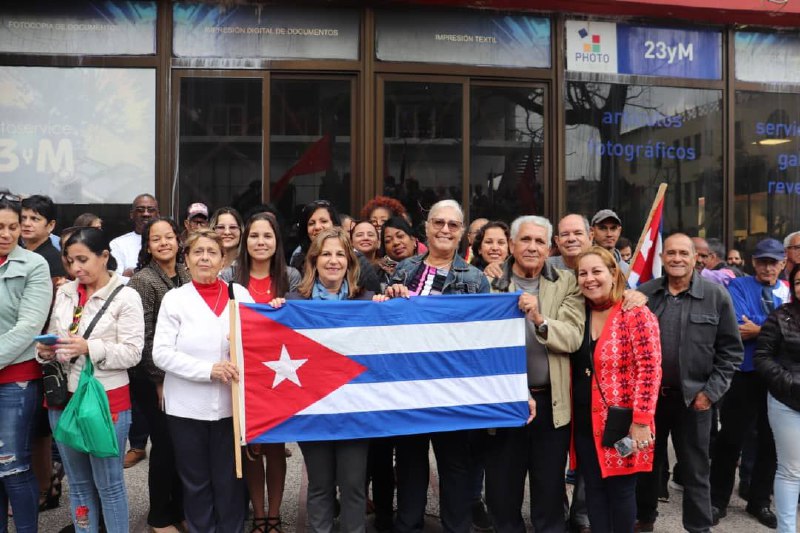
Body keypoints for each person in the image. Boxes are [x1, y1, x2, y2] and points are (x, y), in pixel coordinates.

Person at [271, 227, 386, 533]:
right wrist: (271, 315)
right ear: (314, 260)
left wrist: (389, 306)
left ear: (349, 262)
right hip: (314, 409)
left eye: (339, 254)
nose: (333, 261)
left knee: (353, 487)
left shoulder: (368, 300)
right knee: (320, 486)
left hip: (355, 410)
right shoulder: (295, 301)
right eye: (326, 254)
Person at [385, 199, 490, 533]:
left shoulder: (475, 278)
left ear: (461, 233)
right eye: (438, 223)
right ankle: (408, 525)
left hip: (452, 386)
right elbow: (385, 327)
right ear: (426, 228)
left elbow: (483, 335)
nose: (445, 230)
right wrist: (389, 298)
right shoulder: (403, 269)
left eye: (453, 225)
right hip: (408, 385)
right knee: (410, 461)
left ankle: (457, 526)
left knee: (455, 463)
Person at [37, 227, 144, 533]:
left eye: (83, 259)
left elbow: (133, 353)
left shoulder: (127, 296)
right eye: (70, 261)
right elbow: (57, 342)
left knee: (109, 485)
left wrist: (88, 348)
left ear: (105, 257)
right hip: (63, 400)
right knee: (80, 485)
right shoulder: (66, 292)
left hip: (106, 399)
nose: (76, 269)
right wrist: (45, 350)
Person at [482, 215, 584, 533]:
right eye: (525, 239)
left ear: (549, 247)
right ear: (511, 244)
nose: (532, 246)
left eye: (540, 241)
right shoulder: (488, 283)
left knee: (550, 493)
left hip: (550, 404)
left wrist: (540, 319)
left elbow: (572, 337)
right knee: (501, 494)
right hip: (504, 403)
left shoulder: (567, 282)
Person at [635, 233, 743, 533]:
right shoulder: (645, 293)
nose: (677, 259)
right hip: (651, 399)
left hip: (695, 399)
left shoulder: (715, 295)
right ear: (662, 257)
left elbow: (731, 352)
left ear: (696, 258)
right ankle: (644, 519)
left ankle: (698, 527)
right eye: (671, 253)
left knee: (696, 470)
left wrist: (710, 394)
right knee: (646, 466)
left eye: (684, 253)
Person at [152, 229, 253, 532]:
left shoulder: (240, 295)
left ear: (224, 259)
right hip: (186, 408)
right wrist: (208, 369)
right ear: (186, 259)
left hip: (229, 407)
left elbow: (260, 345)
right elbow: (161, 354)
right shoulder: (175, 299)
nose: (205, 258)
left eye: (212, 252)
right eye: (198, 252)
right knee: (195, 481)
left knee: (230, 480)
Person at [572, 246, 662, 532]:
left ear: (613, 274)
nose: (589, 279)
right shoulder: (579, 312)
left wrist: (641, 421)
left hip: (623, 424)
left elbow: (650, 369)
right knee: (594, 491)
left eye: (597, 271)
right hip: (586, 423)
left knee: (621, 493)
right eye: (582, 273)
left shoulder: (635, 313)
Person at [709, 238, 788, 528]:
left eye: (773, 262)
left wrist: (761, 328)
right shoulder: (739, 286)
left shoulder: (789, 290)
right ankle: (718, 500)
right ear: (753, 262)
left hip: (778, 377)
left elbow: (790, 328)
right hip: (744, 372)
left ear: (782, 264)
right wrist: (777, 326)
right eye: (763, 261)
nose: (768, 267)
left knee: (770, 441)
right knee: (731, 438)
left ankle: (759, 502)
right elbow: (741, 326)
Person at [231, 212, 300, 533]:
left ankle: (274, 516)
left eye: (267, 236)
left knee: (275, 448)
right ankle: (258, 515)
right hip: (245, 376)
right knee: (251, 448)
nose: (260, 242)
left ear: (277, 242)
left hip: (283, 374)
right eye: (254, 236)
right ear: (245, 241)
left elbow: (302, 321)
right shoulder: (230, 276)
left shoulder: (292, 277)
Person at [127, 218, 190, 533]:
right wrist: (160, 380)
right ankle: (159, 517)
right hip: (152, 378)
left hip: (182, 374)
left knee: (181, 444)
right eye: (156, 239)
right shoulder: (142, 281)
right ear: (147, 245)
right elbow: (144, 337)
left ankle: (180, 508)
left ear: (178, 240)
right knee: (164, 444)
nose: (164, 243)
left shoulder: (186, 273)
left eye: (169, 236)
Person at [0, 192, 53, 533]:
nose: (6, 233)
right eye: (0, 226)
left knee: (13, 465)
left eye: (13, 226)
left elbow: (29, 327)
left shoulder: (35, 265)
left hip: (16, 380)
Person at [754, 263, 800, 533]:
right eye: (797, 282)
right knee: (791, 471)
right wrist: (790, 383)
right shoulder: (780, 316)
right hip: (787, 402)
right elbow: (762, 357)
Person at [290, 201, 379, 293]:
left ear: (335, 224)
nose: (317, 227)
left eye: (323, 221)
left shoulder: (359, 261)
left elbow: (374, 301)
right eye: (311, 223)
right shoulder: (299, 261)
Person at [110, 193, 159, 277]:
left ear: (158, 214)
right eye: (140, 210)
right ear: (132, 214)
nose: (146, 214)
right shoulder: (118, 244)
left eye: (151, 210)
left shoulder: (167, 242)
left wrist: (133, 272)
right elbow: (116, 278)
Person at [21, 194, 66, 282]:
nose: (26, 223)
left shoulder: (53, 259)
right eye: (23, 218)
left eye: (34, 219)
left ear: (51, 225)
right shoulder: (17, 253)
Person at [376, 216, 420, 291]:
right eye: (388, 240)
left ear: (413, 240)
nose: (396, 243)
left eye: (400, 236)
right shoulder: (377, 273)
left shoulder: (426, 267)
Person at [590, 209, 629, 275]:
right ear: (592, 231)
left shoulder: (627, 271)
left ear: (619, 231)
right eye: (602, 228)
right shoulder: (581, 264)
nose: (609, 234)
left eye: (613, 228)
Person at [210, 207, 244, 277]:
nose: (227, 232)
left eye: (233, 227)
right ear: (212, 231)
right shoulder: (203, 264)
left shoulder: (249, 266)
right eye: (221, 227)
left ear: (241, 231)